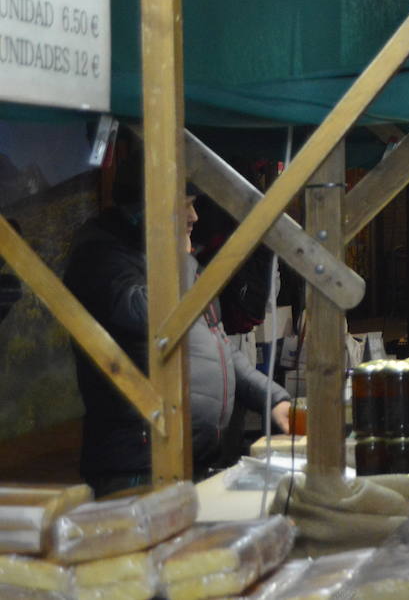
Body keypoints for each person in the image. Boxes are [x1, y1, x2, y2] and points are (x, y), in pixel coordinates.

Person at [64, 172, 291, 497]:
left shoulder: (175, 266)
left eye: (194, 205)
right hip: (141, 469)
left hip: (190, 462)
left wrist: (272, 399)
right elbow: (150, 315)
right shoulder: (101, 256)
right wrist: (179, 260)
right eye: (185, 205)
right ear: (151, 208)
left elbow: (218, 343)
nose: (194, 217)